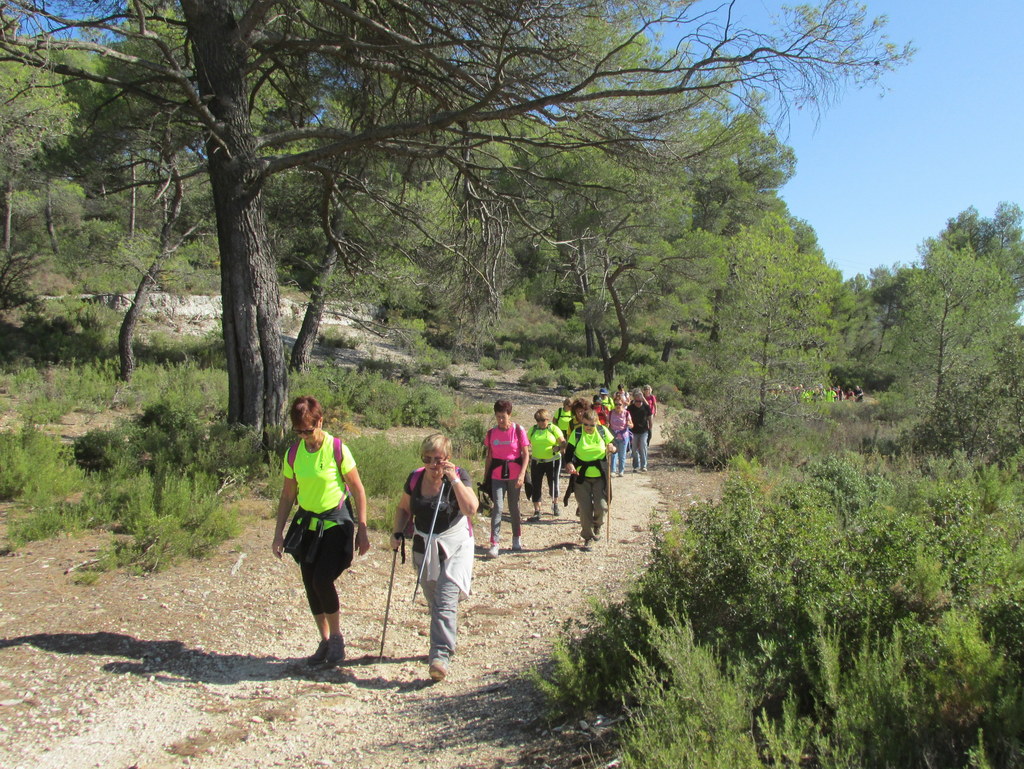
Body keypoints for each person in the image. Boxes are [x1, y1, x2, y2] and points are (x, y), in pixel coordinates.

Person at [273, 396, 370, 666]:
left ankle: (337, 638)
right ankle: (324, 641)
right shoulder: (294, 454)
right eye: (298, 431)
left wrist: (362, 529)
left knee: (322, 580)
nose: (304, 435)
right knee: (309, 583)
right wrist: (278, 532)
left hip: (336, 524)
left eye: (308, 429)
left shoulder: (337, 449)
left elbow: (358, 489)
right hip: (307, 525)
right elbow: (287, 495)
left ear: (320, 422)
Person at [391, 434, 477, 682]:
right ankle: (444, 634)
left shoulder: (459, 475)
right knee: (433, 600)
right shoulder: (415, 477)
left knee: (445, 598)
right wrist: (397, 532)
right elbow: (404, 508)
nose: (432, 464)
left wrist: (455, 480)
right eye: (427, 458)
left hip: (456, 545)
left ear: (447, 458)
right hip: (424, 545)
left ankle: (440, 656)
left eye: (437, 459)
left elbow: (471, 509)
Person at [483, 399, 530, 556]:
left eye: (503, 416)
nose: (501, 420)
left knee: (513, 507)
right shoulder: (491, 433)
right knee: (497, 507)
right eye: (498, 417)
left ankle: (516, 538)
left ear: (509, 414)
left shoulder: (518, 430)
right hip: (497, 475)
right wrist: (485, 478)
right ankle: (494, 542)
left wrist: (522, 474)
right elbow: (489, 457)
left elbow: (525, 454)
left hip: (515, 475)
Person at [565, 409, 615, 550]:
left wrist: (612, 448)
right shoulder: (577, 433)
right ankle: (588, 537)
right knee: (585, 509)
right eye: (586, 424)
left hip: (599, 477)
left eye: (592, 425)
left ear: (596, 423)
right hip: (581, 478)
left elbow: (613, 444)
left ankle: (597, 525)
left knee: (602, 506)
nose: (588, 428)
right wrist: (569, 463)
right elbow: (568, 454)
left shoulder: (603, 431)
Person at [527, 409, 566, 519]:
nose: (540, 423)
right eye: (538, 420)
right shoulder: (533, 430)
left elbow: (563, 442)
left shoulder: (553, 429)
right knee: (536, 485)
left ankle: (555, 504)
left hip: (553, 460)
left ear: (548, 419)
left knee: (553, 483)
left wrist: (558, 447)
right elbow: (526, 442)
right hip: (537, 461)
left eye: (543, 420)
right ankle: (537, 510)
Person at [626, 388, 652, 472]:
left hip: (644, 431)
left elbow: (650, 418)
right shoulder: (630, 408)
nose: (638, 403)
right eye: (636, 401)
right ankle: (635, 466)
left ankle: (643, 465)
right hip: (633, 431)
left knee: (643, 446)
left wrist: (650, 428)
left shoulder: (646, 407)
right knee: (634, 449)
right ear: (634, 400)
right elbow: (626, 418)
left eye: (640, 401)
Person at [608, 397, 633, 477]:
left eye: (619, 404)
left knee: (622, 455)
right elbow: (607, 423)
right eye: (616, 404)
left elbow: (632, 425)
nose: (618, 406)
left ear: (623, 404)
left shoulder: (626, 413)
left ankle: (621, 471)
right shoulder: (611, 413)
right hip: (613, 436)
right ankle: (613, 470)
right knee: (613, 454)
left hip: (623, 436)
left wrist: (629, 425)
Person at [642, 384, 657, 450]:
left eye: (648, 390)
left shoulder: (652, 397)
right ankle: (644, 440)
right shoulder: (643, 397)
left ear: (650, 390)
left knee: (650, 427)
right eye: (645, 390)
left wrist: (656, 411)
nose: (647, 391)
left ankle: (648, 440)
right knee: (644, 425)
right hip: (643, 413)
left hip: (650, 413)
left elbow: (654, 404)